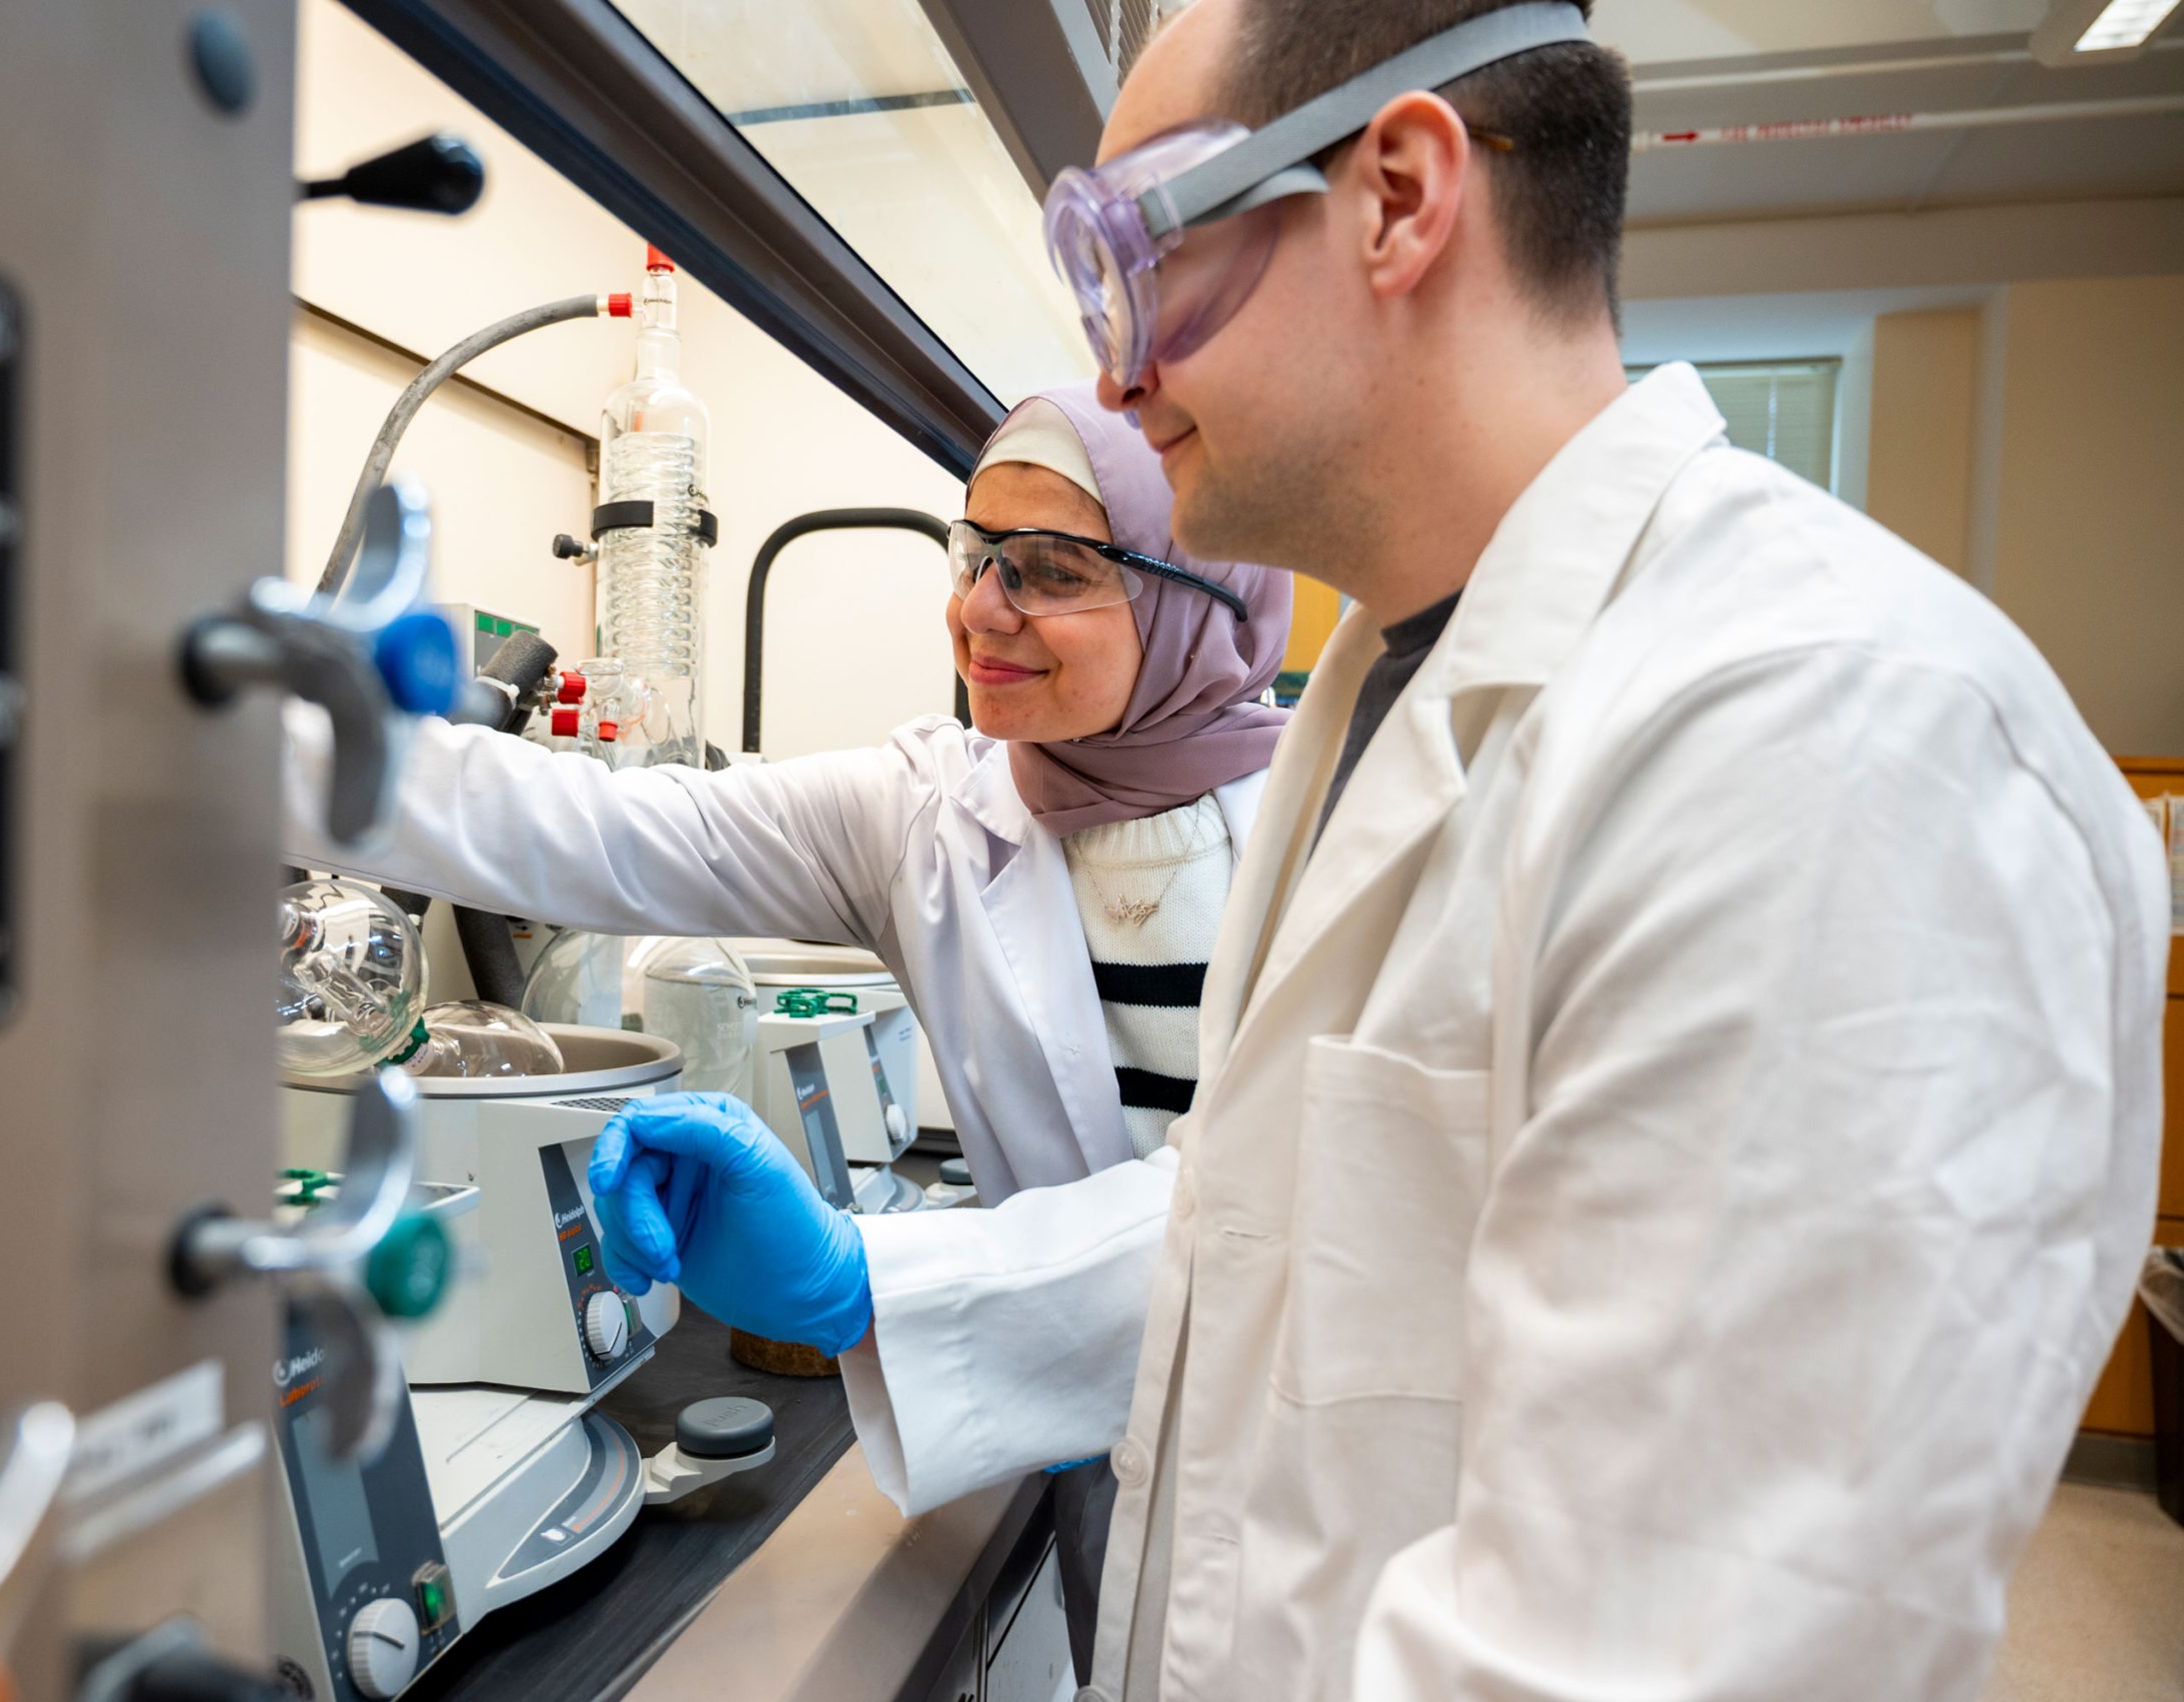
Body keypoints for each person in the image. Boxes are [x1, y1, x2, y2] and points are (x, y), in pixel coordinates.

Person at [587, 2, 2171, 1698]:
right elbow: (1256, 1229)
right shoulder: (1382, 695)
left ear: (1400, 194)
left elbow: (1659, 1658)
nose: (1113, 372)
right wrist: (875, 1284)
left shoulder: (1825, 744)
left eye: (1142, 256)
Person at [284, 382, 1291, 1667]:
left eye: (1049, 568)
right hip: (1115, 1479)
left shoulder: (1340, 832)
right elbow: (597, 829)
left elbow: (1264, 1219)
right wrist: (278, 740)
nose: (982, 608)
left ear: (1197, 599)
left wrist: (870, 1283)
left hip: (1331, 1500)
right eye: (976, 552)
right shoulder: (927, 810)